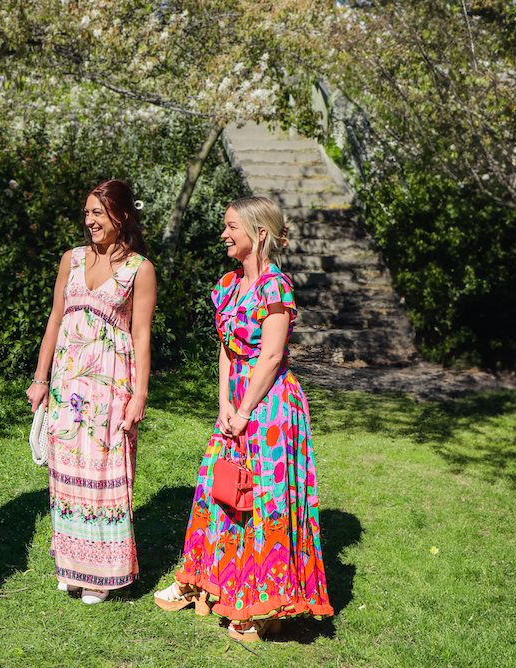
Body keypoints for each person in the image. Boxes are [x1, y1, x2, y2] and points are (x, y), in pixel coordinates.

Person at [153, 196, 334, 640]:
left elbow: (271, 355)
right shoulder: (229, 284)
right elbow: (226, 350)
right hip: (235, 404)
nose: (224, 234)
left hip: (270, 406)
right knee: (217, 490)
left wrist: (246, 408)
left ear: (260, 234)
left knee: (264, 501)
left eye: (232, 226)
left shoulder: (276, 286)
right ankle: (204, 582)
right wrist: (223, 407)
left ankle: (260, 606)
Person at [26, 179, 156, 604]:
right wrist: (41, 379)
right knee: (66, 472)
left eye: (98, 213)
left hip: (111, 386)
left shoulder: (140, 269)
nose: (90, 221)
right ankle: (72, 562)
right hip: (67, 384)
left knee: (104, 475)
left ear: (120, 216)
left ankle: (102, 572)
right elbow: (53, 321)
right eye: (87, 213)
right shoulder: (72, 259)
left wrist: (139, 396)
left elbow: (141, 335)